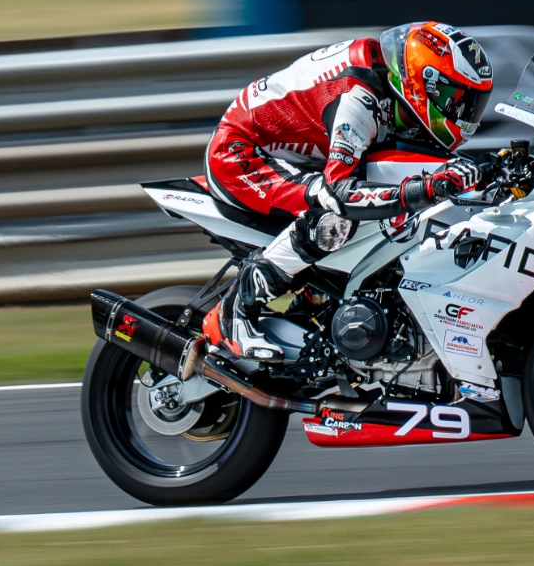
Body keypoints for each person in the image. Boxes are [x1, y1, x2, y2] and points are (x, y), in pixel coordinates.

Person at [204, 20, 494, 361]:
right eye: (457, 100)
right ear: (423, 82)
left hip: (300, 156)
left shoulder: (394, 93)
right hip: (243, 155)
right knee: (334, 216)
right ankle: (234, 311)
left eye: (472, 103)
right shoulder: (358, 99)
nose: (464, 114)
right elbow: (341, 192)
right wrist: (426, 189)